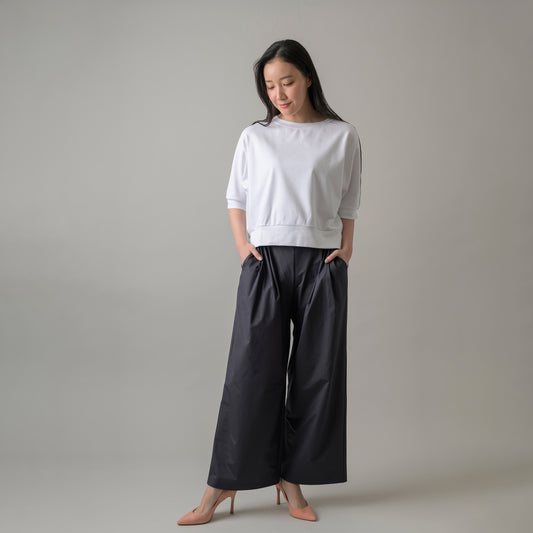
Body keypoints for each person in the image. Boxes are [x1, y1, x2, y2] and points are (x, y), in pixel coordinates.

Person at [177, 38, 362, 525]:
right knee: (250, 373)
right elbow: (235, 198)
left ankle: (291, 478)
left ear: (308, 79)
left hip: (322, 263)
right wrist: (245, 251)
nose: (279, 94)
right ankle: (221, 484)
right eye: (270, 85)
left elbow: (349, 202)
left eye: (287, 82)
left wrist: (345, 250)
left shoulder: (342, 136)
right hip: (266, 262)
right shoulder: (255, 137)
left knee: (317, 376)